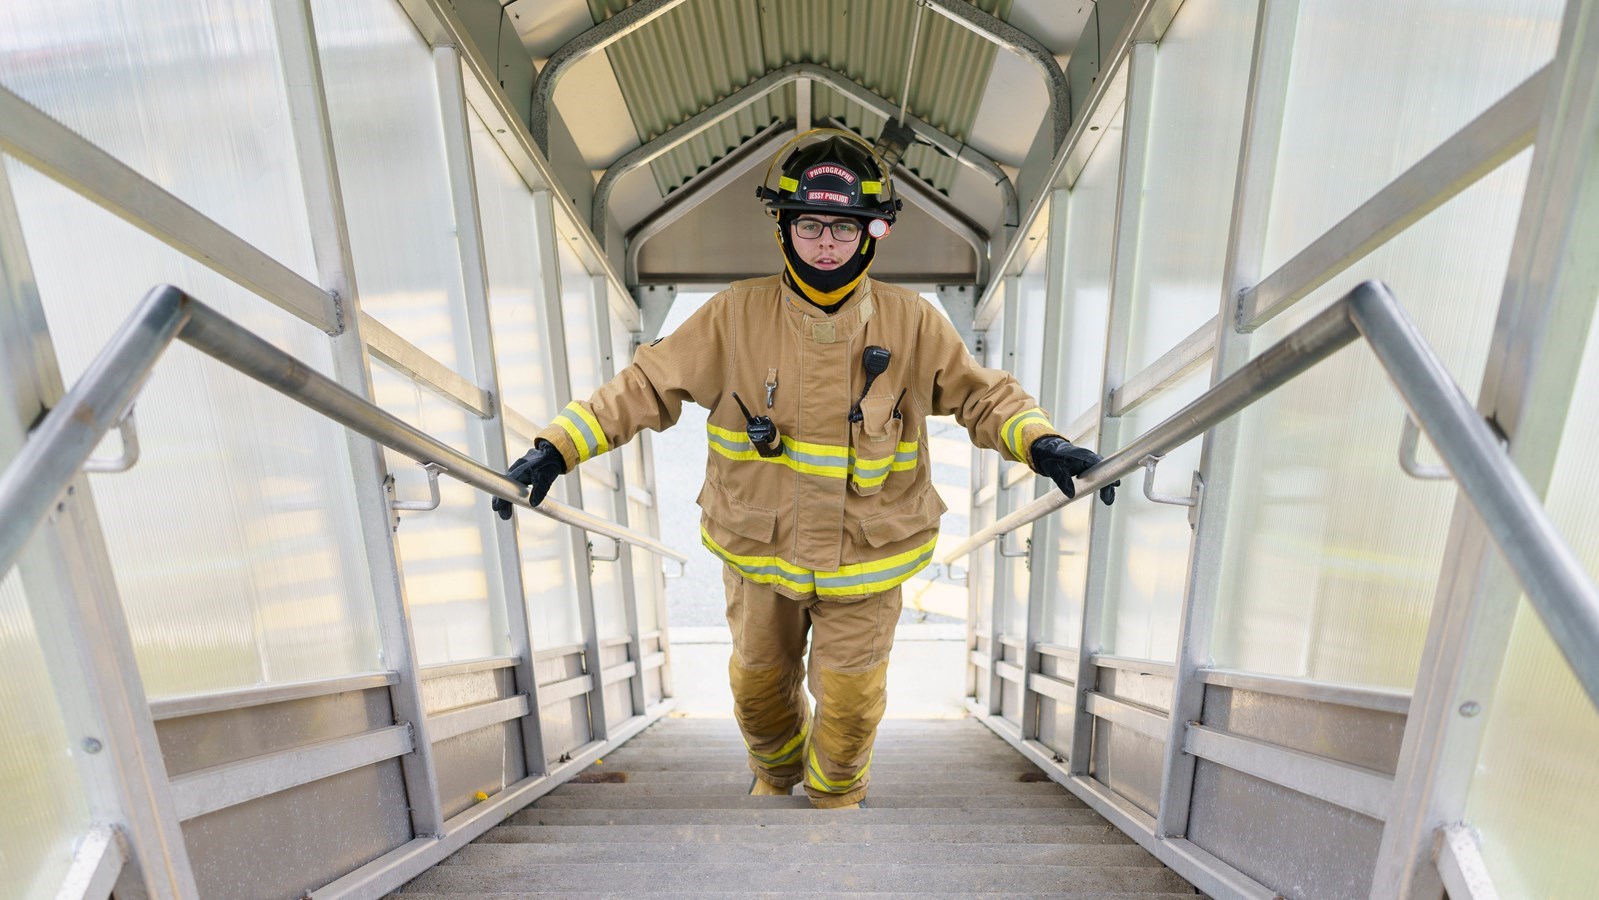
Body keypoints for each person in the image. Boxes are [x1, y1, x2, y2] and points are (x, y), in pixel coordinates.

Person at [493, 129, 1116, 810]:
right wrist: (557, 446)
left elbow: (983, 397)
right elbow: (642, 388)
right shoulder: (734, 313)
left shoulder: (913, 323)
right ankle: (776, 776)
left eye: (842, 227)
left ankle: (832, 801)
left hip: (866, 564)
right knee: (757, 693)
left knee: (849, 706)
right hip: (759, 556)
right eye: (809, 224)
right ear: (783, 228)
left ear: (872, 233)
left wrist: (1042, 442)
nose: (825, 241)